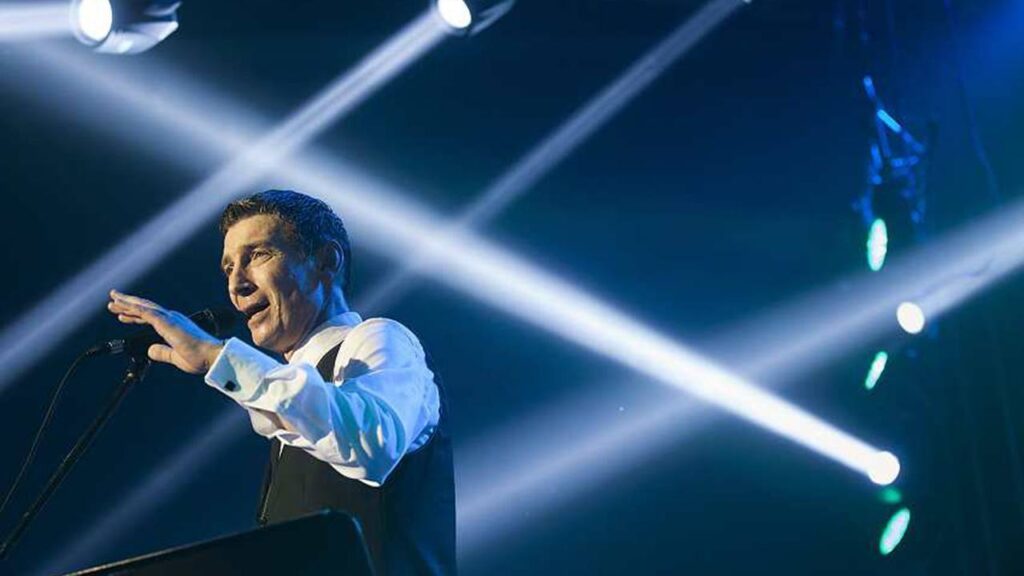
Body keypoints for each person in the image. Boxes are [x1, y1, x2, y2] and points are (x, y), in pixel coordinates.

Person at [106, 190, 455, 575]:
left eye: (257, 255)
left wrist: (217, 358)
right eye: (228, 268)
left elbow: (373, 444)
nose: (237, 284)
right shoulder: (290, 404)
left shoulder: (380, 338)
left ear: (326, 260)